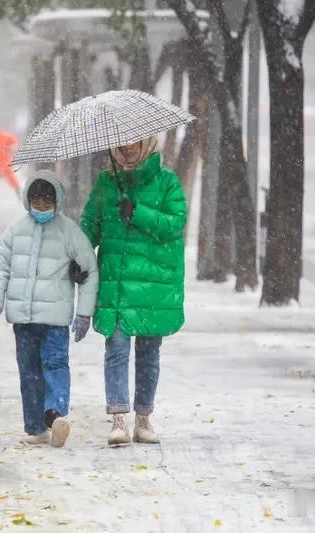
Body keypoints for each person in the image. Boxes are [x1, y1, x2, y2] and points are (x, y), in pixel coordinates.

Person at [80, 137, 187, 446]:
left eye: (134, 143)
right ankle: (118, 419)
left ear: (147, 143)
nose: (127, 149)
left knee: (148, 353)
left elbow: (175, 223)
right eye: (122, 145)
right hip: (116, 282)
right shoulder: (106, 182)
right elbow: (90, 224)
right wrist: (79, 256)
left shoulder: (167, 182)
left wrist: (137, 212)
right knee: (115, 349)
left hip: (154, 284)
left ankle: (143, 418)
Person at [0, 170, 98, 448]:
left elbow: (89, 269)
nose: (42, 206)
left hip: (55, 318)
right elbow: (0, 267)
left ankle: (55, 414)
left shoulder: (69, 232)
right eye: (36, 200)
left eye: (47, 201)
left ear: (57, 200)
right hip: (23, 319)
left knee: (55, 363)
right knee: (29, 371)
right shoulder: (15, 230)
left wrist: (84, 311)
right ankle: (36, 427)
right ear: (27, 199)